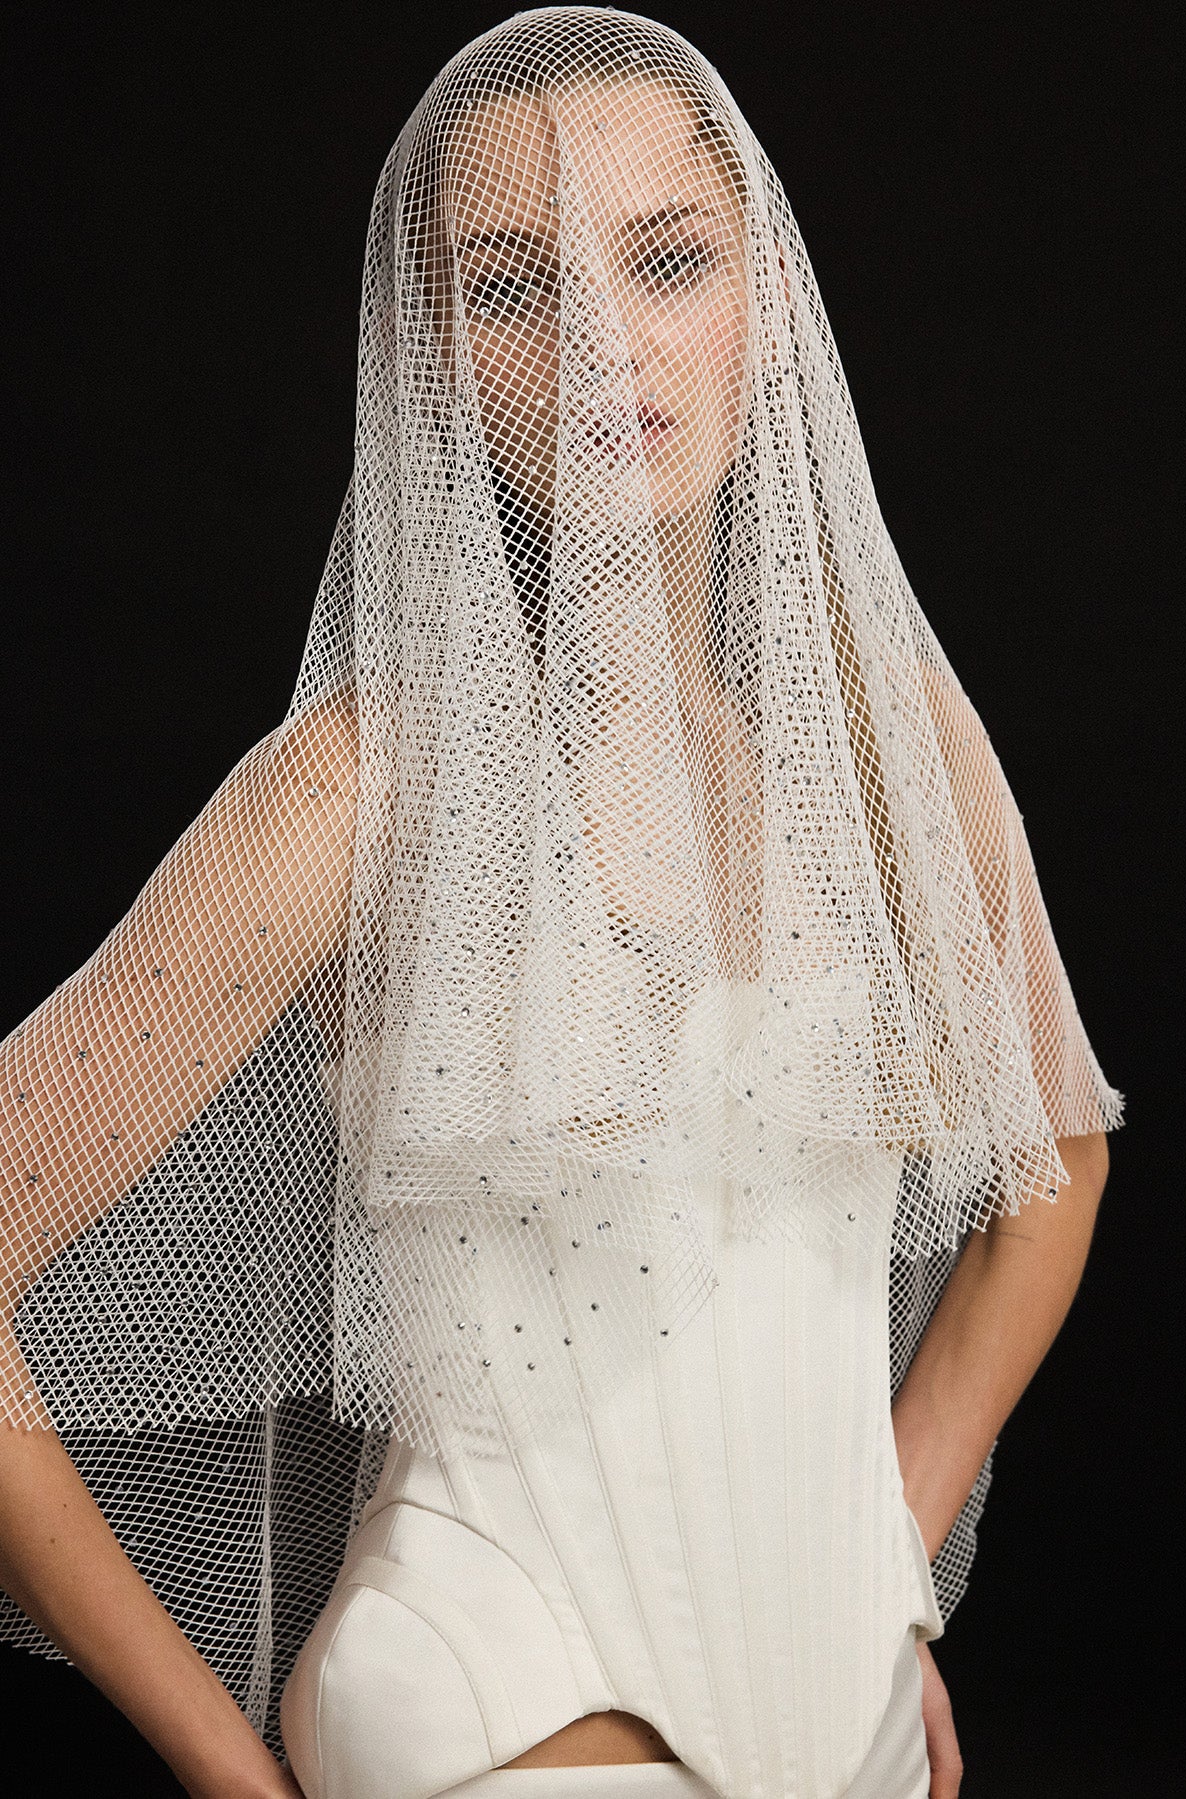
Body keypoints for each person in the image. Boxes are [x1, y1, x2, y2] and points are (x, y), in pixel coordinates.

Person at [0, 9, 1121, 1798]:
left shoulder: (888, 745)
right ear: (433, 356)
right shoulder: (362, 794)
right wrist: (225, 1771)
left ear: (768, 296)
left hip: (854, 1715)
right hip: (505, 1714)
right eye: (516, 290)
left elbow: (1054, 1153)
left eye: (667, 263)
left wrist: (888, 1547)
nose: (606, 343)